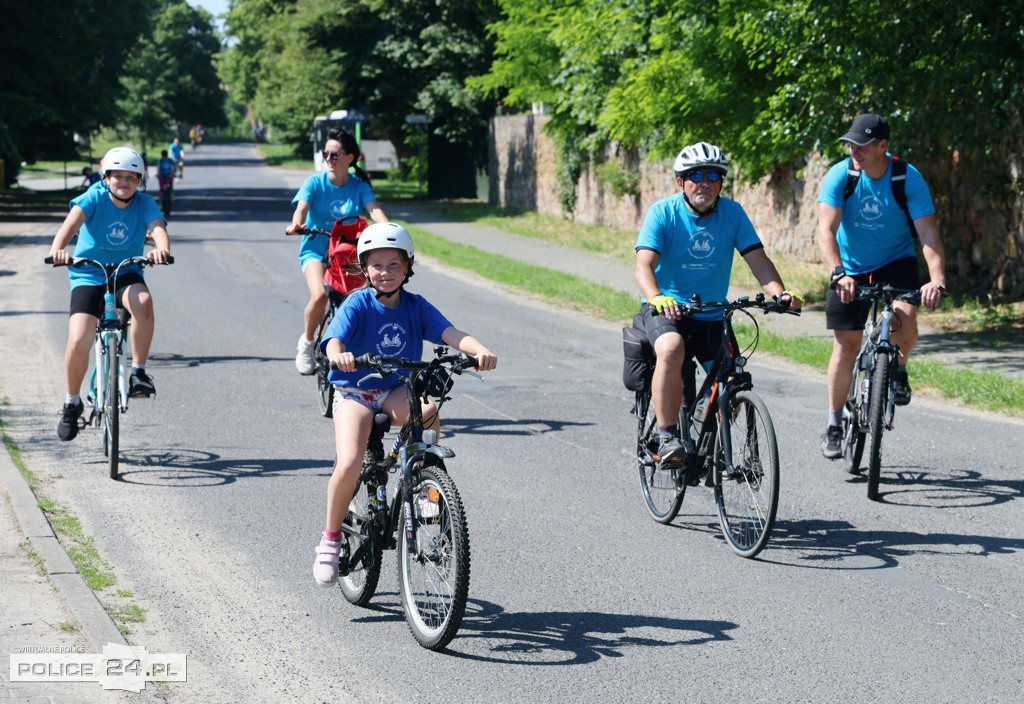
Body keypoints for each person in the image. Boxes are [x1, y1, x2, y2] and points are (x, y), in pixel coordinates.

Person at [313, 222, 497, 586]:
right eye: (377, 265)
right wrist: (340, 356)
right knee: (349, 461)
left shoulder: (416, 306)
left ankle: (422, 486)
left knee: (427, 411)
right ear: (364, 268)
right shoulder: (358, 303)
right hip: (355, 391)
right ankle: (330, 540)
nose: (385, 272)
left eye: (394, 265)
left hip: (395, 388)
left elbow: (451, 333)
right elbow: (333, 340)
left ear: (408, 267)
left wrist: (479, 351)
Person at [635, 141, 803, 462]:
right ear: (680, 182)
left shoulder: (732, 213)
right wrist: (656, 296)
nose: (705, 182)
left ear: (721, 182)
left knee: (734, 386)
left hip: (711, 315)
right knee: (670, 348)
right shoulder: (662, 213)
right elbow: (643, 265)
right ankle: (667, 437)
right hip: (667, 310)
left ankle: (702, 433)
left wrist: (778, 293)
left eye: (713, 175)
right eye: (695, 174)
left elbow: (758, 260)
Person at [817, 113, 946, 459]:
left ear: (882, 146)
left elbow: (928, 234)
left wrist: (937, 279)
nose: (853, 150)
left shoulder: (907, 177)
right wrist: (837, 273)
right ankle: (833, 423)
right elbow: (826, 230)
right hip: (849, 267)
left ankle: (898, 369)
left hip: (896, 261)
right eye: (851, 144)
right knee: (846, 346)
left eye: (861, 145)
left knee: (905, 318)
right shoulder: (841, 175)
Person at [48, 147, 171, 441]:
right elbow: (71, 224)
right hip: (88, 273)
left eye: (131, 177)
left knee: (143, 302)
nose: (124, 182)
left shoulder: (144, 203)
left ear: (139, 181)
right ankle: (71, 402)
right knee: (79, 338)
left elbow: (158, 228)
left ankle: (138, 373)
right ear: (106, 177)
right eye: (118, 176)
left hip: (126, 272)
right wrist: (58, 249)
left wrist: (161, 249)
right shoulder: (94, 196)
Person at [285, 128, 387, 375]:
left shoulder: (359, 186)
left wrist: (388, 229)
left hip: (347, 253)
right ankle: (307, 344)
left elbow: (373, 210)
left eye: (335, 154)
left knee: (363, 299)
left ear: (350, 158)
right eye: (326, 154)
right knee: (319, 296)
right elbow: (302, 208)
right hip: (316, 249)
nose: (329, 159)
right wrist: (297, 223)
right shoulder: (315, 183)